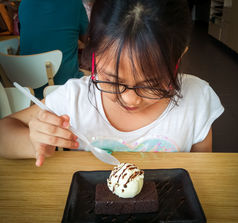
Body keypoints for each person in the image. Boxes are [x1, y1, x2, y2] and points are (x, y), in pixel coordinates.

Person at [0, 0, 224, 167]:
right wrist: (33, 140)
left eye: (152, 84)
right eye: (112, 80)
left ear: (178, 60)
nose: (130, 99)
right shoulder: (74, 98)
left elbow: (202, 172)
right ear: (93, 54)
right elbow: (4, 132)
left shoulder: (197, 100)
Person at [18, 0, 89, 98]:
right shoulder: (74, 3)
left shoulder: (24, 3)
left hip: (28, 90)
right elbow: (87, 40)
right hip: (64, 88)